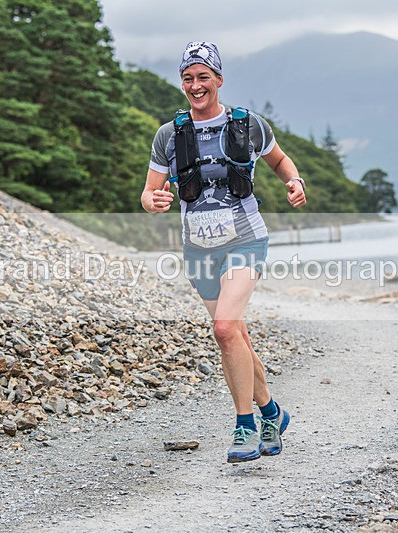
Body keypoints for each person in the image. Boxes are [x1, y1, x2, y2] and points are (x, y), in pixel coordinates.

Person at [141, 41, 307, 463]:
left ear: (218, 79)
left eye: (203, 77)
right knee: (235, 335)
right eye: (188, 78)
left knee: (224, 329)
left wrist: (294, 181)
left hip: (245, 238)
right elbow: (149, 191)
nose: (196, 86)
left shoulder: (247, 124)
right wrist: (154, 201)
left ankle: (245, 426)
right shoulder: (169, 134)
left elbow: (279, 159)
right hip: (198, 247)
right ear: (182, 83)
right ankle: (272, 413)